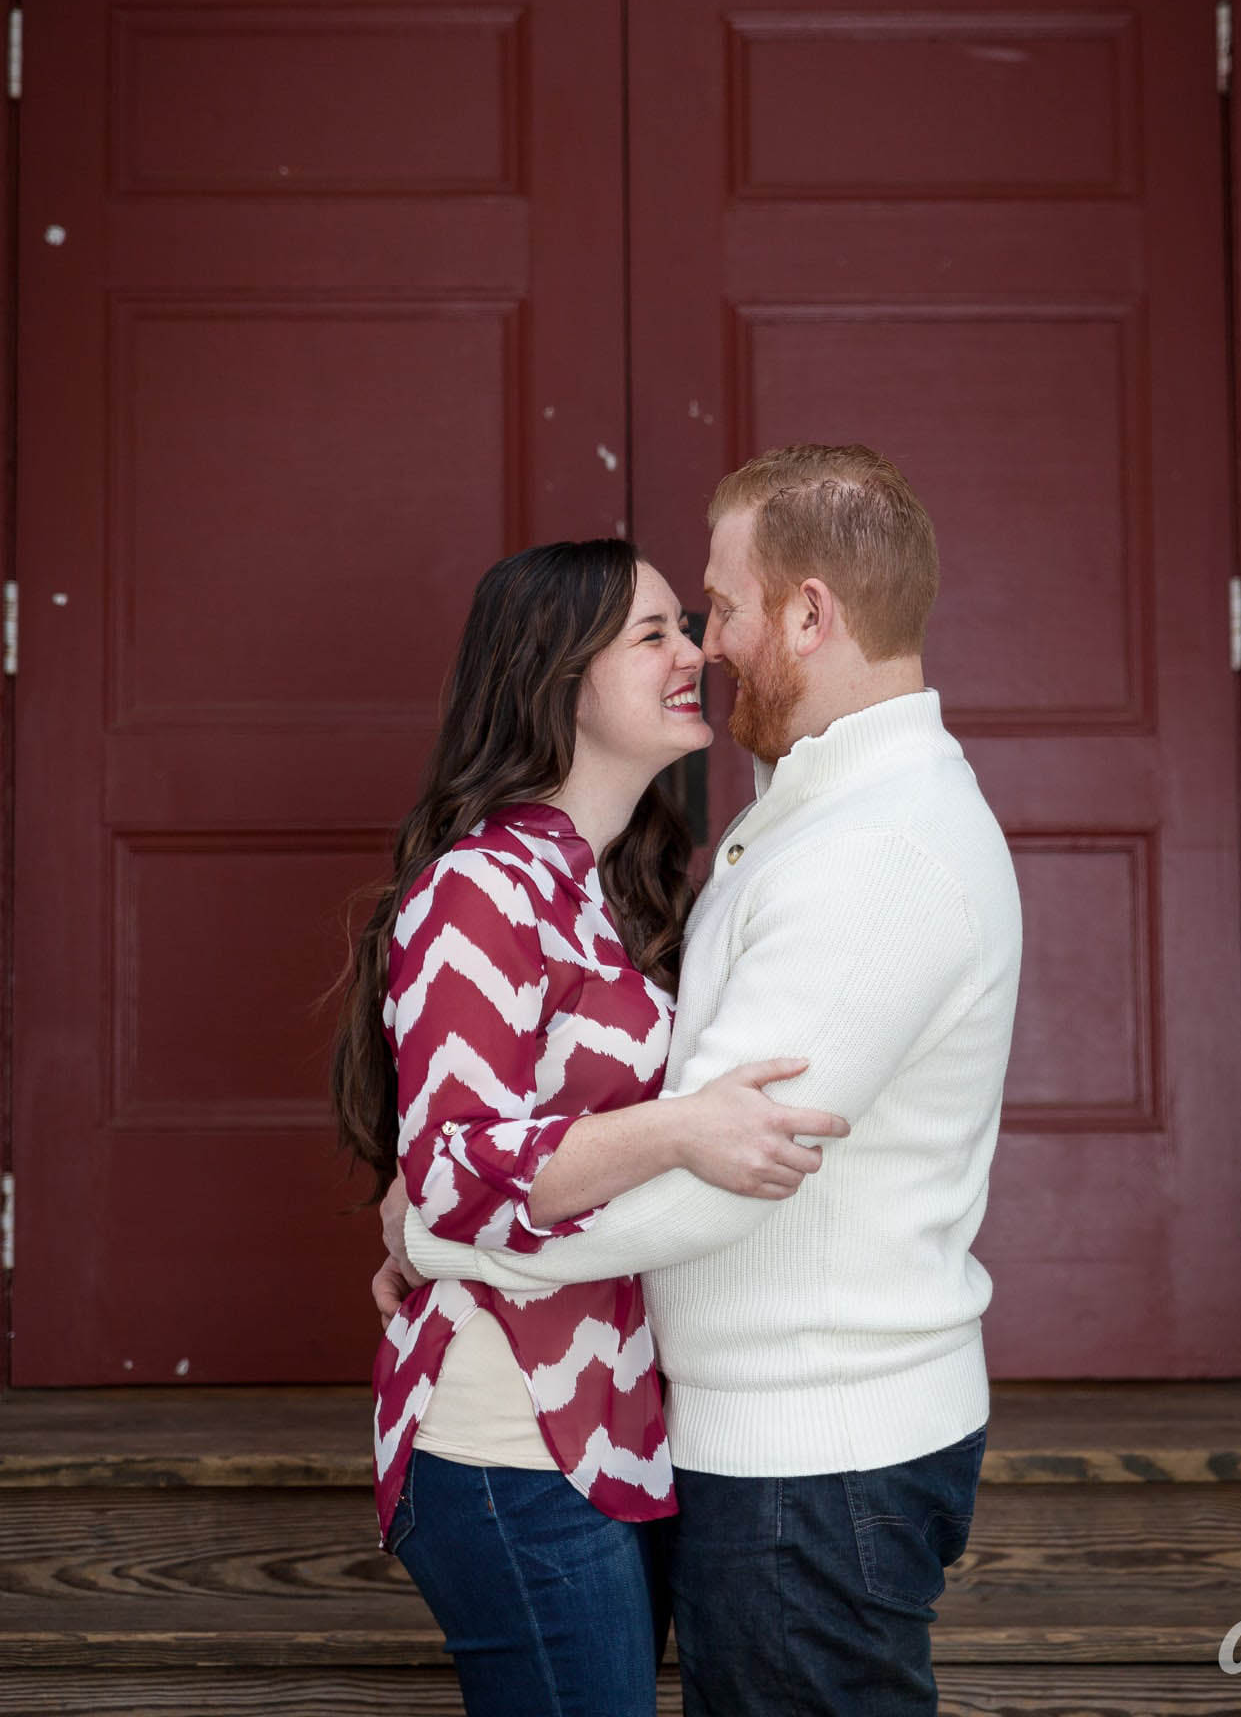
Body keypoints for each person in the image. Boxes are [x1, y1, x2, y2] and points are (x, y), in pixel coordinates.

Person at [377, 443, 1024, 1717]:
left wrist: (445, 1236)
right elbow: (503, 1125)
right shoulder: (760, 825)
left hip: (802, 1448)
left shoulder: (870, 849)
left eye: (712, 609)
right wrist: (450, 1204)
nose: (706, 647)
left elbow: (716, 1176)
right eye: (663, 628)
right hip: (590, 1429)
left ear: (808, 612)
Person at [330, 536, 850, 1717]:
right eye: (652, 634)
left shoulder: (610, 888)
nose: (694, 655)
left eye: (686, 624)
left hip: (614, 1428)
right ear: (552, 674)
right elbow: (454, 1171)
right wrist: (677, 1129)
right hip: (503, 1434)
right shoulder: (480, 885)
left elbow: (453, 1174)